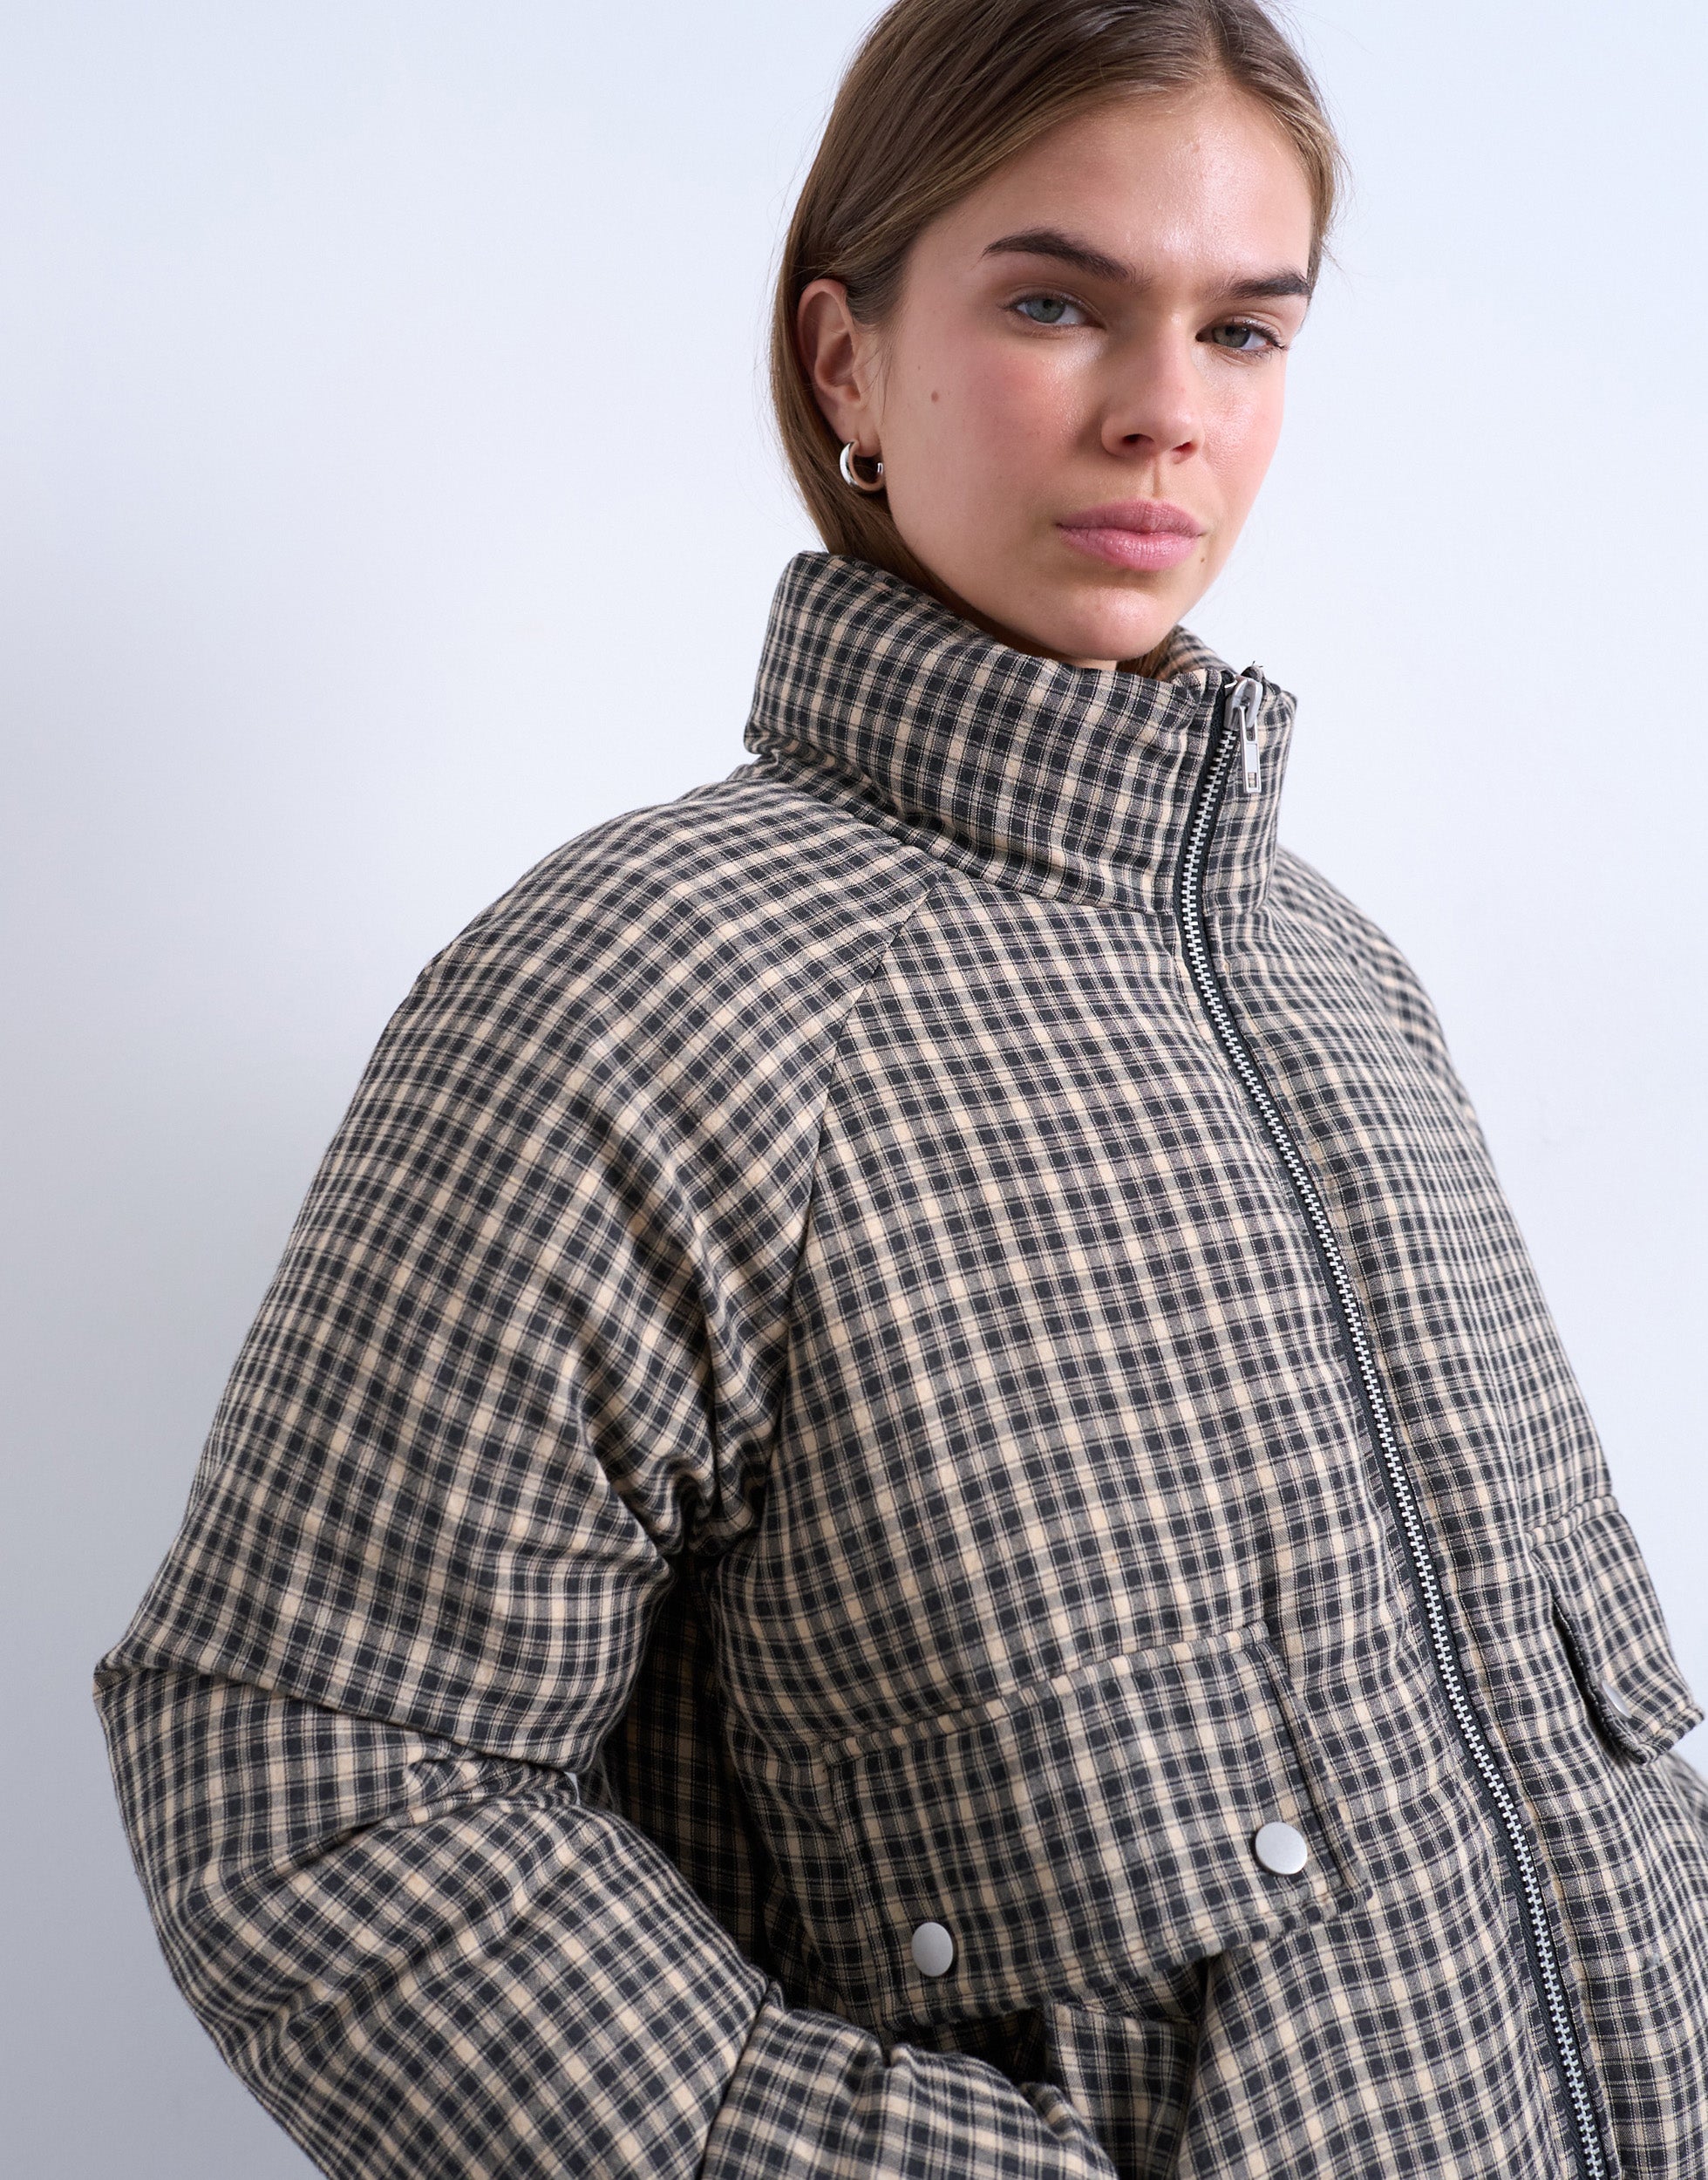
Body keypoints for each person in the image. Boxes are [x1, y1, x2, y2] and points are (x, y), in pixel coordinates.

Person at [95, 0, 1708, 2173]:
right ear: (845, 360)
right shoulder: (642, 990)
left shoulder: (1339, 978)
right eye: (1055, 303)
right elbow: (310, 1771)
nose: (1163, 412)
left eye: (1242, 331)